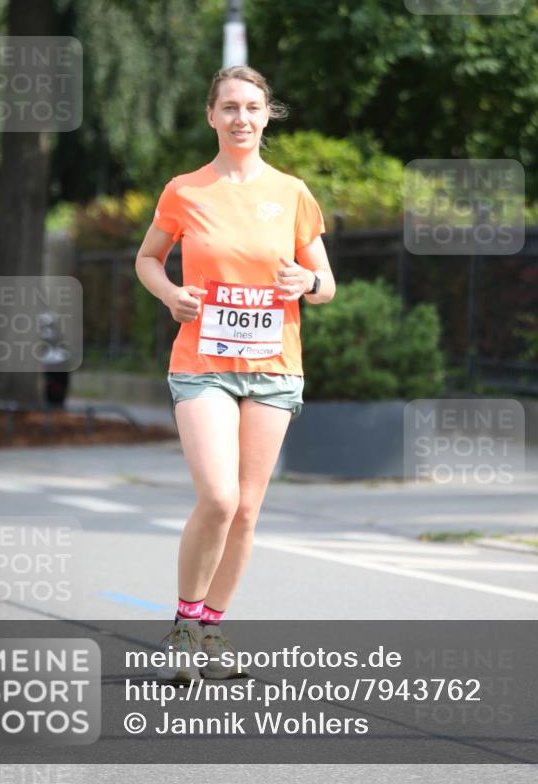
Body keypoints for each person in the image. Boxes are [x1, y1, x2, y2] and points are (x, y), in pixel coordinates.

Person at [135, 65, 335, 681]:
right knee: (218, 498)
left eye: (252, 107)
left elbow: (325, 284)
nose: (241, 118)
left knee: (247, 509)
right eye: (229, 108)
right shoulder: (185, 191)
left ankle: (211, 631)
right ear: (211, 116)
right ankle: (182, 629)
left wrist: (308, 282)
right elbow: (146, 260)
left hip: (274, 368)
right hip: (203, 364)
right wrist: (170, 294)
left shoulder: (294, 192)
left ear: (267, 114)